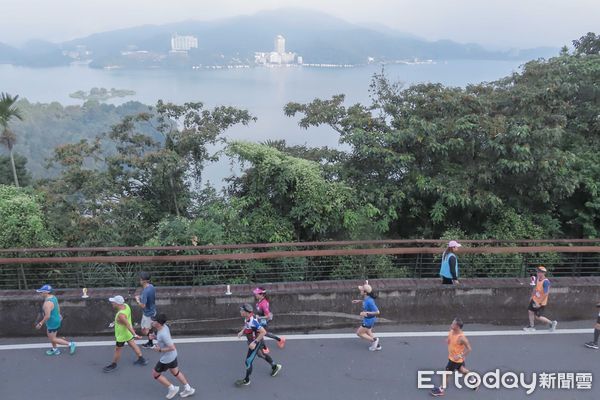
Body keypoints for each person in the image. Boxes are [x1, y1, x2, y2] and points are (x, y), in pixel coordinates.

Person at [235, 303, 282, 386]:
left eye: (242, 310)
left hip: (254, 343)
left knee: (248, 361)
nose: (240, 311)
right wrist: (242, 331)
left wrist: (254, 342)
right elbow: (246, 325)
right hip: (251, 342)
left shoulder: (253, 322)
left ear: (247, 312)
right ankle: (275, 366)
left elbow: (263, 332)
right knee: (261, 355)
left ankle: (247, 380)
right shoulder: (247, 318)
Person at [150, 314, 196, 398]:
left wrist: (159, 350)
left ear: (159, 323)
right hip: (173, 355)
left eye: (154, 320)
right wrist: (155, 337)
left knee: (155, 374)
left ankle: (172, 388)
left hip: (167, 358)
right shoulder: (163, 328)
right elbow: (164, 341)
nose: (152, 321)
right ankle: (188, 389)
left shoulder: (163, 334)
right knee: (175, 372)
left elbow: (172, 347)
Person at [430, 318, 479, 396]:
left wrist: (460, 356)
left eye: (453, 324)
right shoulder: (451, 331)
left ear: (458, 327)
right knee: (462, 370)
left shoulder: (462, 338)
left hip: (454, 360)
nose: (451, 325)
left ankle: (441, 390)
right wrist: (448, 340)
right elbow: (451, 339)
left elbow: (469, 349)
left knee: (446, 373)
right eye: (452, 323)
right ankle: (474, 381)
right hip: (456, 359)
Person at [103, 295, 148, 372]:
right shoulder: (126, 306)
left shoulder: (121, 315)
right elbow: (124, 321)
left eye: (113, 302)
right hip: (128, 333)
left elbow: (127, 324)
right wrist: (116, 322)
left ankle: (113, 365)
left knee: (118, 350)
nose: (112, 303)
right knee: (133, 345)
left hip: (122, 336)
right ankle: (141, 359)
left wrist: (135, 334)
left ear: (117, 304)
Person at [34, 284, 76, 356]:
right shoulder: (53, 297)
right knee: (51, 337)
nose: (40, 293)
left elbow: (47, 316)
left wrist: (40, 323)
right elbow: (57, 306)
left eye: (41, 292)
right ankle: (55, 350)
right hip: (56, 319)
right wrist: (59, 314)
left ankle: (70, 344)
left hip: (52, 322)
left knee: (53, 339)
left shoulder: (47, 303)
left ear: (46, 293)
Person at [523, 266, 558, 332]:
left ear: (543, 273)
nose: (537, 273)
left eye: (539, 272)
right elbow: (535, 288)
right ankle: (531, 326)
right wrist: (532, 296)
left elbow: (546, 293)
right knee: (530, 311)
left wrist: (540, 303)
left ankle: (552, 323)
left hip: (540, 302)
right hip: (535, 299)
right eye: (537, 271)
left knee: (538, 316)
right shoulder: (538, 278)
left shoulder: (546, 282)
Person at [253, 287, 286, 354]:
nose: (255, 295)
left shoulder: (264, 303)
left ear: (262, 295)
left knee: (261, 333)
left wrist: (259, 317)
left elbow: (268, 315)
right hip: (262, 319)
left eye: (256, 294)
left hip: (264, 320)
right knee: (263, 333)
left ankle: (265, 348)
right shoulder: (260, 300)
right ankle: (280, 340)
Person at [352, 283, 381, 351]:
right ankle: (377, 346)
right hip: (369, 319)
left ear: (365, 293)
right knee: (368, 332)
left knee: (359, 333)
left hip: (368, 320)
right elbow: (365, 301)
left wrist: (366, 313)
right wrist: (359, 301)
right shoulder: (367, 298)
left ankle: (374, 340)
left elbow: (377, 312)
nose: (360, 291)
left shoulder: (370, 301)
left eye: (361, 290)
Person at [135, 272, 157, 348]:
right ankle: (151, 342)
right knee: (149, 328)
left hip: (147, 313)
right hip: (152, 310)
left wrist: (138, 300)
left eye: (140, 279)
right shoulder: (151, 287)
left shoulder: (145, 291)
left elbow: (143, 305)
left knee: (144, 331)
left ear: (144, 281)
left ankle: (156, 338)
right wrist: (142, 297)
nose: (139, 280)